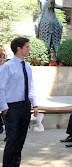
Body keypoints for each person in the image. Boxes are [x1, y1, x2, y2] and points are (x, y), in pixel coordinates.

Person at [0, 37, 39, 167]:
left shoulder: (27, 66)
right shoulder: (7, 67)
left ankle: (15, 164)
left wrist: (35, 104)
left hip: (25, 106)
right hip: (12, 107)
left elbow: (31, 86)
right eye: (27, 47)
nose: (30, 49)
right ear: (19, 48)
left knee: (21, 139)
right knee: (12, 140)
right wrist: (5, 108)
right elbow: (1, 88)